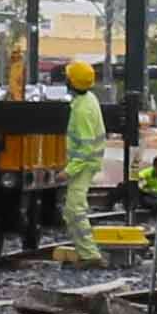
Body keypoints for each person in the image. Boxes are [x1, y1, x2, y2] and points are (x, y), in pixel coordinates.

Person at [55, 56, 109, 259]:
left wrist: (67, 172)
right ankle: (87, 253)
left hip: (83, 166)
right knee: (71, 210)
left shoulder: (83, 110)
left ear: (72, 82)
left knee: (74, 209)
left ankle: (91, 256)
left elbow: (85, 149)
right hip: (85, 164)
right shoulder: (87, 100)